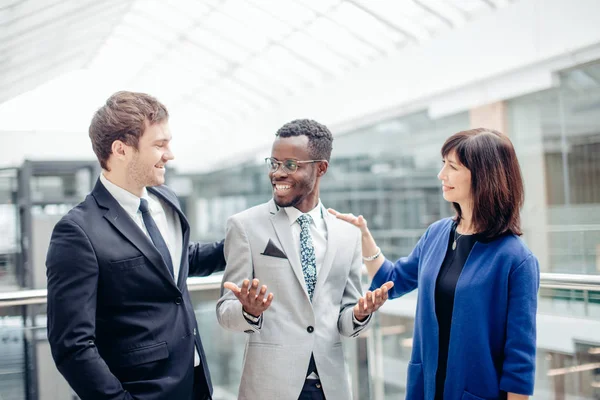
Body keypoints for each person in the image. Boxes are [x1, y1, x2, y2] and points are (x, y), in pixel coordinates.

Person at [330, 128, 539, 400]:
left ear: (484, 176)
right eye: (443, 165)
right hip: (425, 389)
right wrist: (364, 237)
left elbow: (519, 361)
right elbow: (392, 281)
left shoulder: (516, 259)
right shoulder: (437, 234)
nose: (442, 175)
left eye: (452, 167)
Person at [46, 91, 225, 400]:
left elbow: (178, 261)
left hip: (195, 383)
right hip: (140, 392)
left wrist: (249, 238)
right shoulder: (76, 231)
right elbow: (72, 346)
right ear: (121, 150)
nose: (170, 154)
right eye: (159, 145)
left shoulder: (165, 200)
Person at [215, 119, 393, 400]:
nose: (277, 173)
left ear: (320, 168)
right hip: (269, 388)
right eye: (273, 163)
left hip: (330, 387)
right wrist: (249, 311)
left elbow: (344, 321)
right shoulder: (245, 226)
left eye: (290, 165)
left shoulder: (347, 234)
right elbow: (226, 312)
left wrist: (360, 314)